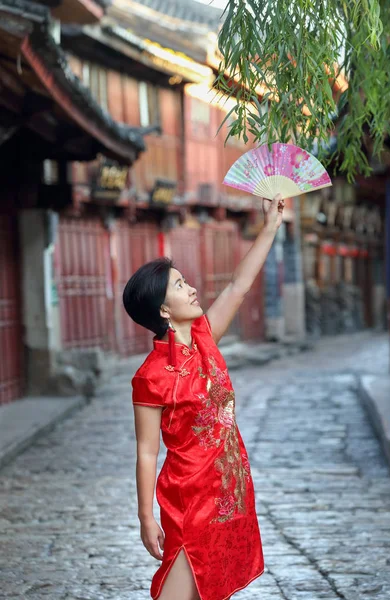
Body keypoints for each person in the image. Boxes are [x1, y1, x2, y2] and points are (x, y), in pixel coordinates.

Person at [122, 193, 284, 600]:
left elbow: (239, 285)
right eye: (180, 286)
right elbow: (146, 451)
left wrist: (271, 227)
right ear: (162, 310)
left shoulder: (205, 339)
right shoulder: (149, 377)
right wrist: (145, 516)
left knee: (212, 590)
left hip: (229, 488)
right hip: (188, 497)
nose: (192, 289)